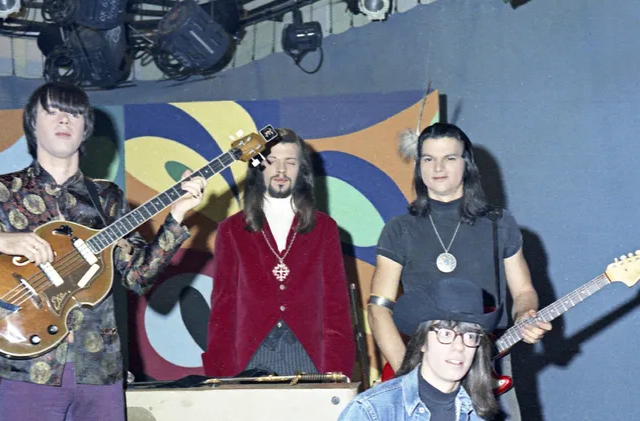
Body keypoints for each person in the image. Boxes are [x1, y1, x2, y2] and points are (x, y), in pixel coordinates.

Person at [0, 82, 207, 421]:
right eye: (53, 111)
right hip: (29, 371)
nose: (64, 119)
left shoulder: (106, 198)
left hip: (100, 370)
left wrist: (177, 215)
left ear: (86, 130)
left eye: (75, 114)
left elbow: (139, 275)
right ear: (32, 124)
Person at [368, 122, 551, 419]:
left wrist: (524, 315)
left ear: (467, 164)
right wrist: (408, 375)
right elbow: (379, 308)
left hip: (488, 359)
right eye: (428, 159)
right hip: (423, 360)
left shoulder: (499, 223)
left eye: (449, 158)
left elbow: (524, 291)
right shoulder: (399, 229)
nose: (438, 167)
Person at [202, 128, 355, 377]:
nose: (281, 170)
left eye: (290, 162)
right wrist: (221, 374)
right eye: (272, 161)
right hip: (250, 358)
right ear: (257, 166)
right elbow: (223, 307)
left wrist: (336, 370)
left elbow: (335, 305)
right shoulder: (231, 229)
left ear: (301, 170)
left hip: (309, 357)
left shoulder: (324, 228)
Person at [339, 277, 501, 421]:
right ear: (422, 341)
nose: (459, 346)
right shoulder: (372, 411)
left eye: (470, 336)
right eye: (445, 333)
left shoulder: (478, 415)